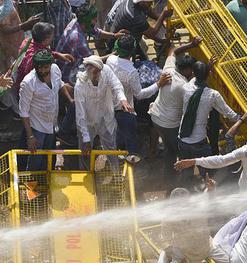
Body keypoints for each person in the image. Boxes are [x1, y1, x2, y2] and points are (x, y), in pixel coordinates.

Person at [178, 59, 243, 186]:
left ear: (193, 73)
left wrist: (206, 68)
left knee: (186, 168)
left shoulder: (186, 88)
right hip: (199, 142)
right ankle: (207, 189)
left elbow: (196, 78)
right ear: (208, 75)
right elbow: (229, 113)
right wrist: (242, 118)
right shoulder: (213, 95)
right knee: (207, 170)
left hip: (182, 139)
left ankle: (187, 189)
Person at [106, 34, 171, 163]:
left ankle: (115, 158)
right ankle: (132, 163)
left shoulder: (110, 60)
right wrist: (159, 83)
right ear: (132, 51)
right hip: (125, 108)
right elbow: (139, 95)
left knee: (114, 134)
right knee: (130, 139)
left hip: (108, 104)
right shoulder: (131, 71)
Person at [149, 37, 202, 188]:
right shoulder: (184, 86)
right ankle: (178, 182)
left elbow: (173, 50)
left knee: (168, 149)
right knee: (179, 151)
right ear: (187, 70)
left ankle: (168, 177)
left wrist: (191, 45)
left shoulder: (169, 69)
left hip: (156, 117)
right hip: (170, 124)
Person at [74, 55, 132, 170]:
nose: (96, 75)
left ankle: (116, 174)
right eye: (93, 72)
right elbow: (80, 115)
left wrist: (123, 99)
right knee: (85, 150)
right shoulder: (80, 85)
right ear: (87, 69)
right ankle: (87, 175)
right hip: (88, 123)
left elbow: (116, 85)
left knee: (111, 148)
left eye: (97, 72)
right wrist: (86, 138)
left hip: (105, 118)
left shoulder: (105, 71)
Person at [19, 49, 73, 170]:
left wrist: (70, 100)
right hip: (37, 127)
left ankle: (48, 180)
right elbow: (23, 111)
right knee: (36, 159)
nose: (42, 71)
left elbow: (60, 84)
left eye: (45, 67)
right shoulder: (28, 83)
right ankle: (32, 182)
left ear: (50, 65)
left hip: (52, 124)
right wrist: (30, 136)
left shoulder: (55, 69)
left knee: (50, 156)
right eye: (39, 68)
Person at [55, 3, 127, 84]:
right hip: (67, 74)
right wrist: (114, 54)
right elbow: (94, 60)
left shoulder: (78, 22)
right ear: (87, 20)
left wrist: (114, 35)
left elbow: (97, 32)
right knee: (99, 76)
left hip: (73, 62)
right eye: (94, 18)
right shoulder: (78, 39)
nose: (96, 20)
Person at [15, 22, 74, 89]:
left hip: (19, 81)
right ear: (46, 40)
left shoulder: (27, 41)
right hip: (30, 90)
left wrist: (58, 55)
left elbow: (41, 49)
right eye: (51, 37)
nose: (52, 39)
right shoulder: (38, 59)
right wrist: (61, 85)